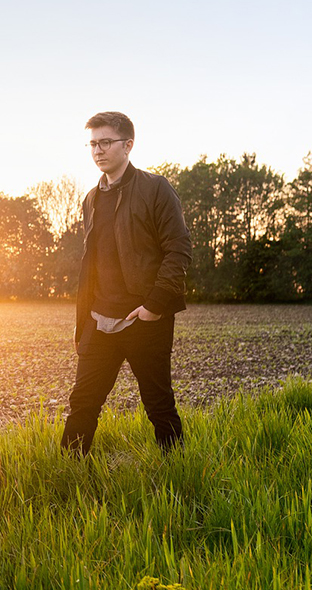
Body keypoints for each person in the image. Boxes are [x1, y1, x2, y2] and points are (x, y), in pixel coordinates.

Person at [61, 111, 191, 455]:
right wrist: (83, 324)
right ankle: (66, 474)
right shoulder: (91, 198)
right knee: (83, 404)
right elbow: (92, 265)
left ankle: (178, 471)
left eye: (105, 142)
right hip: (99, 321)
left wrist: (153, 307)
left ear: (128, 145)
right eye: (93, 143)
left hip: (143, 319)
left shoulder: (155, 188)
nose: (98, 150)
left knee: (158, 404)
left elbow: (178, 250)